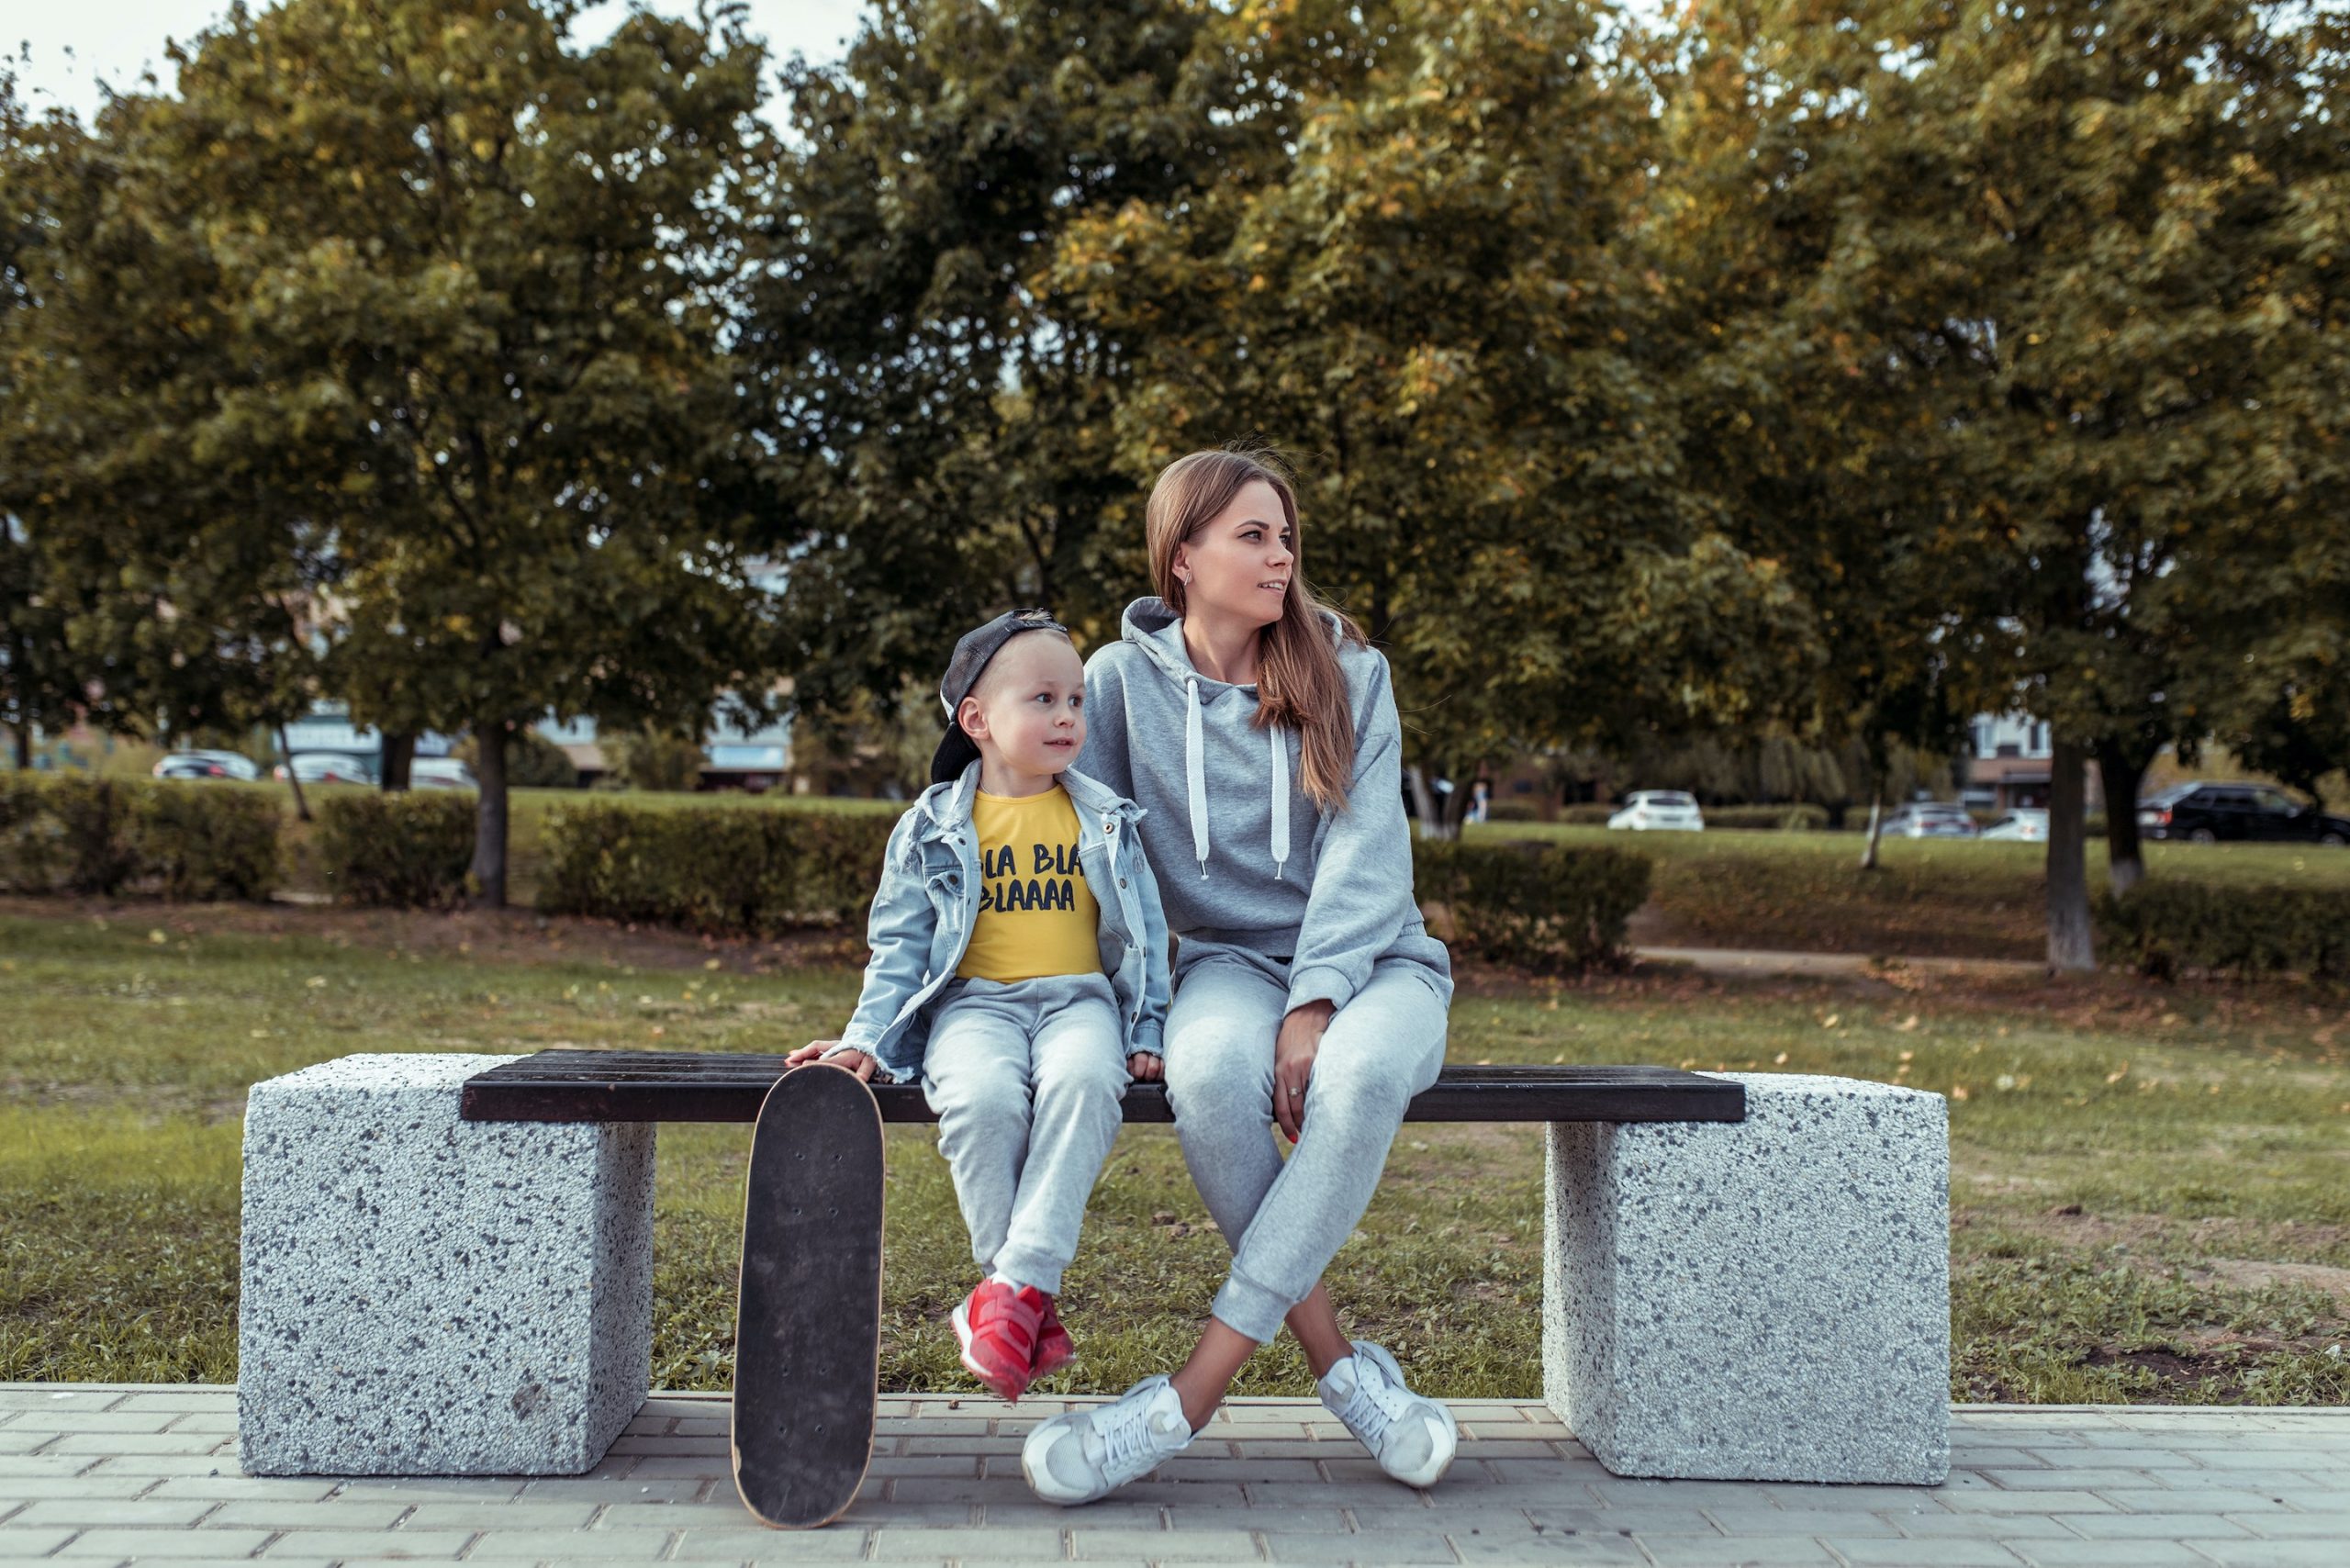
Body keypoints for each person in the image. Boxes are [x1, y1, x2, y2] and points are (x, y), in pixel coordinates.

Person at [1022, 450, 1458, 1506]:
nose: (1281, 555)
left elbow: (1366, 853)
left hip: (1374, 962)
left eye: (1284, 536)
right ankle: (1345, 1371)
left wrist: (1314, 1002)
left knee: (1351, 1081)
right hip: (1220, 963)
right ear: (1183, 559)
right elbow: (1106, 860)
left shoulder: (1350, 673)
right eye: (1253, 536)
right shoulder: (1119, 685)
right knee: (1209, 1076)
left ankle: (1187, 1397)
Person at [784, 609, 1170, 1403]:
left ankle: (1006, 1296)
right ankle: (1022, 1297)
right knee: (983, 1102)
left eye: (1076, 701)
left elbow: (1144, 938)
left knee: (1083, 1087)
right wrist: (870, 1039)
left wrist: (1145, 1027)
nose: (1068, 716)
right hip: (975, 1009)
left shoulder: (1104, 817)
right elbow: (897, 948)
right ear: (977, 719)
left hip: (1080, 1006)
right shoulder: (930, 826)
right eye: (1043, 700)